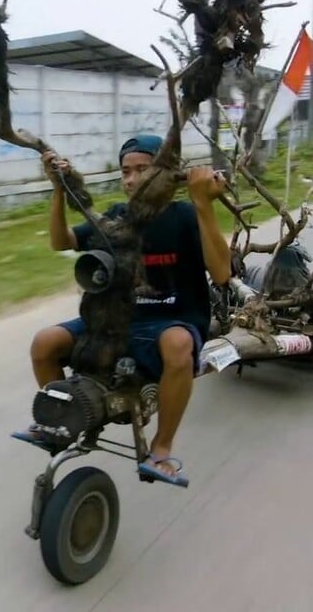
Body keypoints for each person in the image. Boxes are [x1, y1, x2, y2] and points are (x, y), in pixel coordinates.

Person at [25, 134, 231, 487]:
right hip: (116, 320)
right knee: (44, 343)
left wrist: (203, 203)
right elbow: (61, 242)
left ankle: (161, 447)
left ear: (165, 174)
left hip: (171, 319)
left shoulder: (184, 216)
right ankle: (62, 418)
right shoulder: (118, 217)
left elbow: (223, 272)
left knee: (178, 345)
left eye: (142, 169)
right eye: (126, 171)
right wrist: (59, 190)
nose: (132, 179)